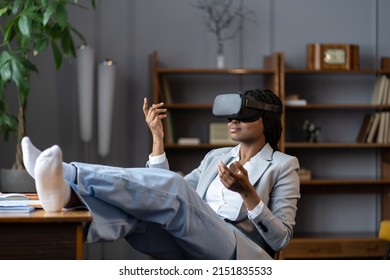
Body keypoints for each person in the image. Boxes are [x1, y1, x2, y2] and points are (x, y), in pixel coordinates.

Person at [21, 88, 300, 260]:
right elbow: (162, 192)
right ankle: (66, 196)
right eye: (230, 116)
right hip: (193, 235)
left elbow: (281, 239)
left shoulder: (284, 165)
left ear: (267, 120)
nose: (233, 121)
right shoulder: (216, 157)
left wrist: (248, 194)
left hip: (236, 249)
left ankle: (70, 174)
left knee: (175, 186)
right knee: (137, 215)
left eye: (243, 115)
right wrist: (157, 139)